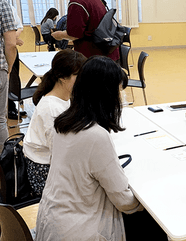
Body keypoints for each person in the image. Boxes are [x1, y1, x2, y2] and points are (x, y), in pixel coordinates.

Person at [35, 56, 167, 240]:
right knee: (155, 225)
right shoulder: (95, 136)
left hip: (52, 221)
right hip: (79, 230)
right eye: (118, 93)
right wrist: (152, 201)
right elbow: (124, 202)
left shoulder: (63, 122)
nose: (119, 99)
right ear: (106, 95)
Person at [23, 49, 86, 197]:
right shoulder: (52, 109)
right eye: (79, 76)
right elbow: (60, 155)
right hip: (44, 171)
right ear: (63, 77)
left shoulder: (65, 98)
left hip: (50, 163)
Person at [51, 0, 119, 61]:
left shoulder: (77, 3)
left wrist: (59, 35)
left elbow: (74, 35)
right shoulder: (95, 1)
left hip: (94, 57)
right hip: (108, 52)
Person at [0, 0, 17, 151]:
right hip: (0, 67)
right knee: (0, 120)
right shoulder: (3, 4)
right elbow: (11, 43)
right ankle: (4, 167)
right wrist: (9, 66)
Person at [8, 4, 26, 120]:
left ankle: (12, 105)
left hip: (12, 47)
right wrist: (13, 40)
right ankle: (9, 108)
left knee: (14, 77)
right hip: (6, 47)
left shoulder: (10, 7)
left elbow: (19, 27)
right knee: (7, 77)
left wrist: (13, 38)